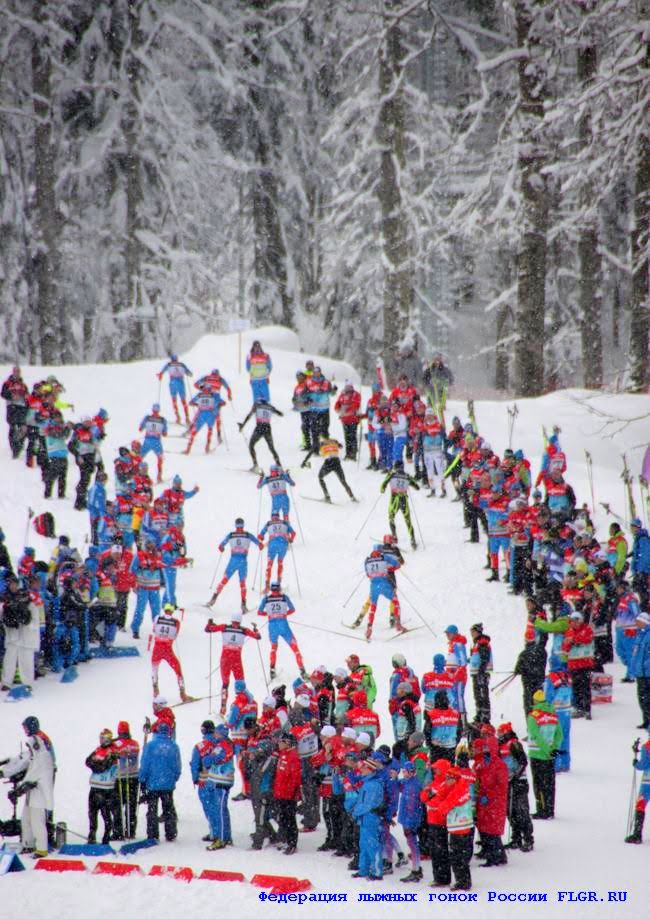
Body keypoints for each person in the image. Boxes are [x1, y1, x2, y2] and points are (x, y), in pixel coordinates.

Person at [0, 717, 55, 858]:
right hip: (32, 792)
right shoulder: (35, 754)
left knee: (37, 821)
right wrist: (5, 771)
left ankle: (42, 849)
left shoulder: (42, 755)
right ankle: (28, 844)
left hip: (39, 793)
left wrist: (19, 790)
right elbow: (24, 761)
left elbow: (33, 775)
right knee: (26, 819)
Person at [205, 610, 261, 714]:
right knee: (240, 683)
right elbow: (258, 636)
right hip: (236, 660)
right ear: (240, 621)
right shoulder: (244, 630)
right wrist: (256, 630)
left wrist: (210, 624)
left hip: (225, 659)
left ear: (231, 620)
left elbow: (208, 629)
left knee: (225, 684)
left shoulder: (224, 627)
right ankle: (242, 705)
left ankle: (223, 708)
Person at [428, 765, 473, 891]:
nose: (446, 780)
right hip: (458, 826)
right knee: (457, 855)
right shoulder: (458, 787)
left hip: (460, 827)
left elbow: (444, 806)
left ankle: (463, 882)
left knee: (458, 856)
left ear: (454, 779)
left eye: (449, 778)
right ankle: (462, 881)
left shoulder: (459, 789)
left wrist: (437, 804)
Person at [139, 721, 182, 842]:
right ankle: (171, 832)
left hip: (152, 783)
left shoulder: (150, 746)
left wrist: (142, 779)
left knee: (152, 809)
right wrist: (175, 777)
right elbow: (177, 765)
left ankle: (153, 833)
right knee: (168, 808)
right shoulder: (174, 746)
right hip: (168, 783)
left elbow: (144, 764)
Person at [208, 518, 263, 612]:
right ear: (243, 525)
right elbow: (259, 544)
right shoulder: (248, 535)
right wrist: (260, 545)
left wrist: (222, 548)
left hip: (233, 560)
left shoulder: (231, 535)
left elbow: (220, 546)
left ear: (235, 525)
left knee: (224, 580)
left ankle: (213, 599)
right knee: (242, 583)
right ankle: (243, 605)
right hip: (243, 561)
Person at [496, 722, 534, 852]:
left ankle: (528, 838)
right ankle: (516, 837)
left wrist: (515, 776)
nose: (498, 735)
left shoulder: (514, 743)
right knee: (510, 811)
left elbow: (523, 761)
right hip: (508, 782)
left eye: (500, 732)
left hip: (519, 782)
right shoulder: (500, 745)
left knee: (522, 811)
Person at [257, 582, 307, 679]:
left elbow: (259, 612)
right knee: (295, 648)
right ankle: (303, 671)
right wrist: (283, 614)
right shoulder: (284, 597)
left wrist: (270, 614)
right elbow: (292, 609)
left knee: (273, 648)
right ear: (279, 588)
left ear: (271, 589)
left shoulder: (266, 599)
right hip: (283, 624)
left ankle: (272, 669)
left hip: (272, 626)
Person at [526, 689, 563, 819]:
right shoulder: (553, 715)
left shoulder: (533, 717)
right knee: (550, 784)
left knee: (539, 785)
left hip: (537, 755)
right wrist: (553, 749)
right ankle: (550, 809)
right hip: (550, 756)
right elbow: (559, 734)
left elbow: (536, 736)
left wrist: (546, 750)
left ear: (535, 701)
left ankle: (542, 810)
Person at [473, 735, 508, 867]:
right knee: (485, 828)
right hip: (485, 801)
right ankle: (492, 853)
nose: (485, 750)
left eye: (487, 747)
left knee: (492, 830)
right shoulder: (484, 763)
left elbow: (502, 786)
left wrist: (489, 796)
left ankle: (495, 857)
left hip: (495, 802)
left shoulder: (499, 765)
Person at [1, 575, 37, 690]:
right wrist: (9, 621)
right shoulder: (5, 598)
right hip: (12, 635)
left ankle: (28, 683)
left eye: (15, 584)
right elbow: (2, 615)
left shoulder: (25, 597)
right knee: (9, 660)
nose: (13, 586)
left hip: (26, 635)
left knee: (27, 660)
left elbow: (34, 615)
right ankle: (6, 682)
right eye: (11, 584)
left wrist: (28, 623)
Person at [351, 757, 385, 880]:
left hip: (370, 817)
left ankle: (377, 871)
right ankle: (363, 869)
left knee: (372, 844)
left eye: (364, 767)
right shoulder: (368, 783)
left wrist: (355, 812)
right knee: (364, 844)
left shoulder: (373, 785)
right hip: (365, 817)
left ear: (370, 769)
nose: (361, 769)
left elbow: (368, 804)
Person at [203, 724, 235, 850]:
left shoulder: (223, 746)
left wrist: (208, 758)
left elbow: (211, 760)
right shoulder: (222, 745)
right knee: (222, 809)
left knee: (220, 810)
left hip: (222, 781)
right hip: (220, 780)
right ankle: (226, 836)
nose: (214, 735)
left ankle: (221, 838)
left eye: (216, 733)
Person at [149, 603, 190, 702]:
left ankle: (155, 690)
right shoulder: (176, 622)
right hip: (167, 649)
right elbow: (174, 636)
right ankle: (182, 693)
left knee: (154, 669)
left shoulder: (157, 618)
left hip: (157, 648)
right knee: (177, 669)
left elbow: (154, 630)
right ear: (172, 611)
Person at [85, 728, 120, 844]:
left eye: (103, 738)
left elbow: (103, 767)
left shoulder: (112, 752)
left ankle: (106, 835)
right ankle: (92, 835)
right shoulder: (98, 749)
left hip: (106, 788)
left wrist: (95, 763)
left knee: (105, 813)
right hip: (95, 786)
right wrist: (96, 764)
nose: (101, 740)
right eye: (100, 738)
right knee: (92, 812)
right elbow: (87, 761)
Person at [363, 547, 405, 640]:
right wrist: (389, 568)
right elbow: (397, 565)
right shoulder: (384, 557)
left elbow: (368, 575)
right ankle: (398, 624)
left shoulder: (367, 561)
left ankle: (369, 628)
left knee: (373, 607)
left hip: (374, 587)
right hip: (385, 585)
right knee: (395, 601)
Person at [300, 434, 357, 504]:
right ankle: (352, 497)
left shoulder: (319, 443)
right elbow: (341, 446)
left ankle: (327, 497)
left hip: (328, 463)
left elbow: (310, 453)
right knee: (343, 481)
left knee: (320, 477)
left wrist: (304, 462)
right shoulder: (334, 440)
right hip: (337, 462)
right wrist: (334, 445)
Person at [562, 610, 595, 719]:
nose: (574, 623)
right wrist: (567, 643)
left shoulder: (587, 629)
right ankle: (578, 708)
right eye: (572, 621)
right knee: (576, 687)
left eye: (577, 621)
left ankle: (587, 709)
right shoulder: (569, 631)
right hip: (573, 664)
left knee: (585, 687)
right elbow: (565, 647)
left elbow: (587, 639)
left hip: (585, 663)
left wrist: (573, 640)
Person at [272, 733, 302, 855]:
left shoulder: (293, 756)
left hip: (288, 794)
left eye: (281, 742)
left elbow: (296, 777)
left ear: (287, 743)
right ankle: (286, 840)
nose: (278, 744)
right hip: (281, 792)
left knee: (290, 819)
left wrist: (292, 793)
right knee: (283, 818)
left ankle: (292, 843)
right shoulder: (282, 754)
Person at [380, 460, 420, 550]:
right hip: (403, 500)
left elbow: (383, 485)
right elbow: (417, 487)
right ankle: (412, 540)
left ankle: (394, 537)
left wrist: (383, 489)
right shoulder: (407, 475)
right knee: (408, 520)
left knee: (391, 517)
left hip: (394, 500)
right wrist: (409, 483)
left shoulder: (392, 474)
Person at [112, 721, 140, 839]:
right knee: (131, 805)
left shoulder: (115, 744)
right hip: (133, 777)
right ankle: (131, 830)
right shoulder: (135, 743)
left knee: (117, 805)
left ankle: (118, 831)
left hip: (120, 777)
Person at [397, 760, 424, 882]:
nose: (403, 774)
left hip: (410, 820)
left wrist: (408, 823)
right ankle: (416, 867)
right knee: (412, 844)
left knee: (413, 844)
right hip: (408, 818)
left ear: (411, 772)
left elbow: (411, 807)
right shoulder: (410, 783)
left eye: (405, 772)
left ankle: (416, 869)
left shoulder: (412, 787)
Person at [239, 400, 283, 472]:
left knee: (251, 445)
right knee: (272, 448)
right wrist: (273, 410)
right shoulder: (269, 406)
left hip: (259, 427)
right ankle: (279, 466)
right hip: (267, 428)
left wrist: (242, 425)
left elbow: (248, 416)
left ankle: (255, 465)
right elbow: (280, 414)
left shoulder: (257, 405)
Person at [258, 512, 296, 589]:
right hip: (283, 544)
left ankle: (267, 585)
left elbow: (260, 535)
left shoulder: (268, 523)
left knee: (269, 564)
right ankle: (278, 583)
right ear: (279, 516)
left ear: (271, 517)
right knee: (280, 563)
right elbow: (293, 533)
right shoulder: (285, 522)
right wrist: (291, 539)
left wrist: (261, 538)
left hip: (272, 545)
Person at [625, 731, 650, 844]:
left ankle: (637, 834)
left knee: (641, 804)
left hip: (647, 781)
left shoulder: (647, 746)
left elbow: (644, 764)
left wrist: (635, 763)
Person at [184, 386, 225, 454]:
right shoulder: (214, 395)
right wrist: (218, 405)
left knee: (195, 430)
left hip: (201, 414)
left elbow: (191, 402)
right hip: (211, 414)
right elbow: (223, 403)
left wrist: (198, 405)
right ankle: (207, 446)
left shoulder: (200, 395)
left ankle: (188, 448)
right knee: (210, 430)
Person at [157, 354, 193, 425]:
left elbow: (162, 372)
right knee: (183, 400)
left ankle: (178, 417)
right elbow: (190, 374)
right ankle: (187, 418)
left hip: (173, 383)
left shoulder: (169, 364)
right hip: (181, 383)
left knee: (174, 400)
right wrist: (187, 373)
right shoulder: (182, 364)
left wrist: (160, 375)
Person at [138, 403, 168, 483]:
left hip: (147, 441)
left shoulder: (147, 418)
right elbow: (165, 434)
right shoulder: (163, 420)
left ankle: (137, 473)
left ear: (152, 409)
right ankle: (159, 476)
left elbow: (140, 429)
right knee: (160, 459)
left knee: (139, 458)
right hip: (156, 442)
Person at [469, 623, 492, 724]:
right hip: (476, 673)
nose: (471, 634)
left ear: (478, 632)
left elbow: (485, 658)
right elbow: (477, 656)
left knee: (483, 695)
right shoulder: (476, 642)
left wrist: (481, 672)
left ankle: (485, 717)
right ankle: (479, 715)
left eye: (473, 632)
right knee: (477, 695)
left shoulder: (482, 641)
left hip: (481, 673)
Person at [630, 611, 650, 729]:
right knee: (642, 698)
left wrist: (645, 666)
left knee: (647, 698)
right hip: (640, 673)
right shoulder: (639, 635)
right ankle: (646, 720)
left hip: (647, 673)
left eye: (638, 621)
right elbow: (635, 655)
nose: (636, 623)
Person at [334, 382, 362, 461]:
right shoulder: (342, 394)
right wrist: (337, 408)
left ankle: (353, 453)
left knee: (352, 436)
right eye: (347, 387)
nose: (348, 389)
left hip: (353, 419)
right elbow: (338, 403)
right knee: (347, 437)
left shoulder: (356, 394)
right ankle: (348, 453)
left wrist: (346, 411)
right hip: (344, 420)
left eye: (350, 387)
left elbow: (356, 405)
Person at [630, 518, 650, 611]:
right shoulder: (638, 538)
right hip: (639, 571)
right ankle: (644, 610)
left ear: (637, 527)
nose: (631, 529)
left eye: (632, 527)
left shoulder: (643, 539)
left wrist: (640, 571)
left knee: (643, 594)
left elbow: (645, 556)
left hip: (643, 571)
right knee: (639, 592)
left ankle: (645, 611)